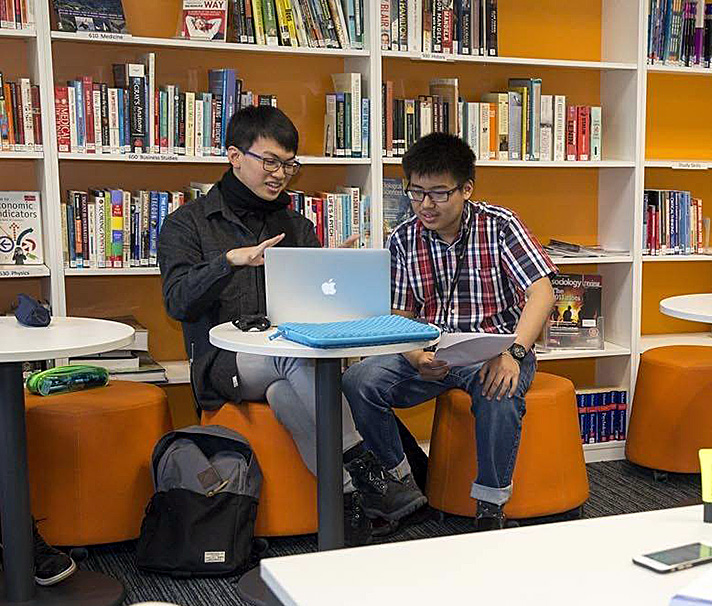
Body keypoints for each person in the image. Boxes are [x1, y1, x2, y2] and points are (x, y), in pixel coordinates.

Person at [157, 105, 423, 547]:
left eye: (289, 164)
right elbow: (177, 301)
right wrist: (228, 262)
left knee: (287, 386)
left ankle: (347, 501)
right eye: (270, 162)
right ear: (234, 156)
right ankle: (368, 469)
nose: (280, 174)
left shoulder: (297, 226)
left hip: (290, 366)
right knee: (292, 357)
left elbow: (320, 312)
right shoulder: (187, 224)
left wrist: (336, 271)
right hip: (224, 364)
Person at [342, 133, 557, 531]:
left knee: (499, 391)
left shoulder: (500, 226)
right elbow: (400, 314)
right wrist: (414, 356)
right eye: (416, 192)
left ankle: (490, 507)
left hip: (496, 348)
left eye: (439, 194)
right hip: (432, 351)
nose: (426, 205)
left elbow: (542, 293)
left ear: (466, 189)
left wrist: (514, 354)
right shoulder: (403, 238)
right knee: (359, 379)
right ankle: (402, 484)